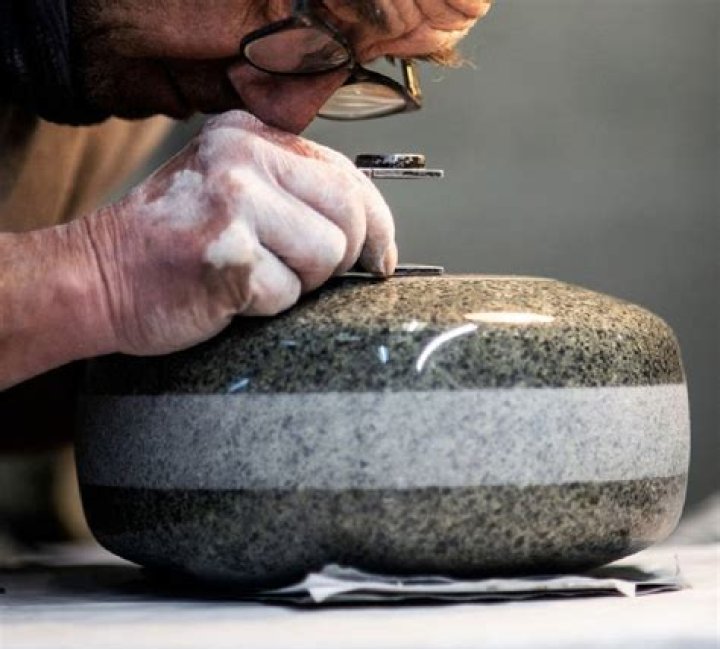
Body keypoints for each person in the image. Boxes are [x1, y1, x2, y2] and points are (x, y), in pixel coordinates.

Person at [0, 1, 492, 443]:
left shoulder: (151, 67)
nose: (289, 114)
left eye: (353, 64)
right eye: (309, 16)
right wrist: (100, 280)